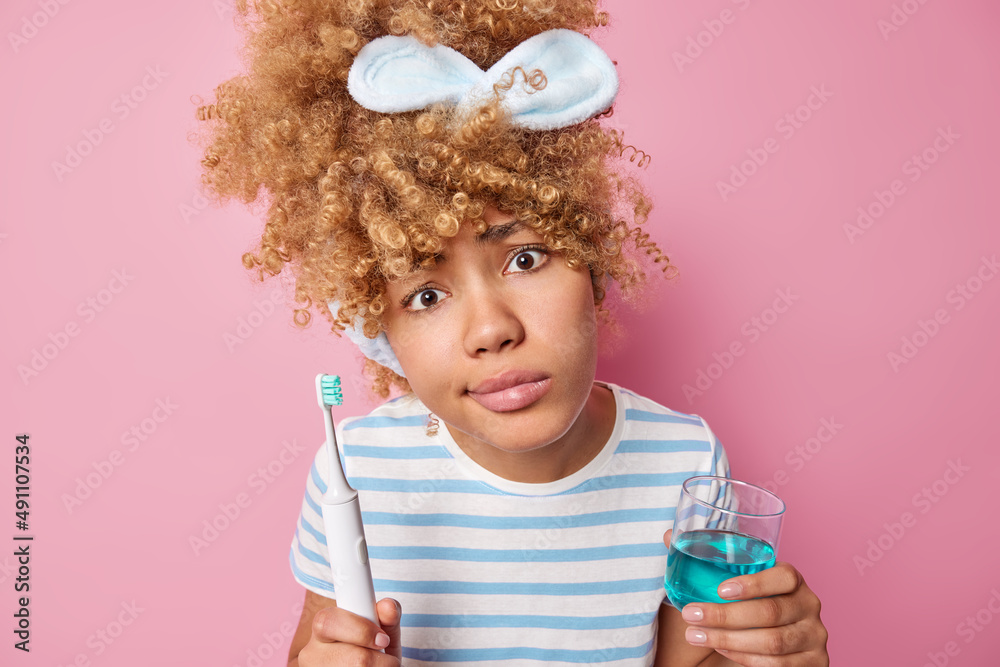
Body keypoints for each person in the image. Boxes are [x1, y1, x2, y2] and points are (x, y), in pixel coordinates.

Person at [195, 1, 829, 665]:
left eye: (525, 258)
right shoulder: (358, 473)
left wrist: (774, 655)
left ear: (591, 258)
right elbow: (313, 652)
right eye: (427, 294)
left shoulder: (683, 463)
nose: (493, 329)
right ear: (377, 327)